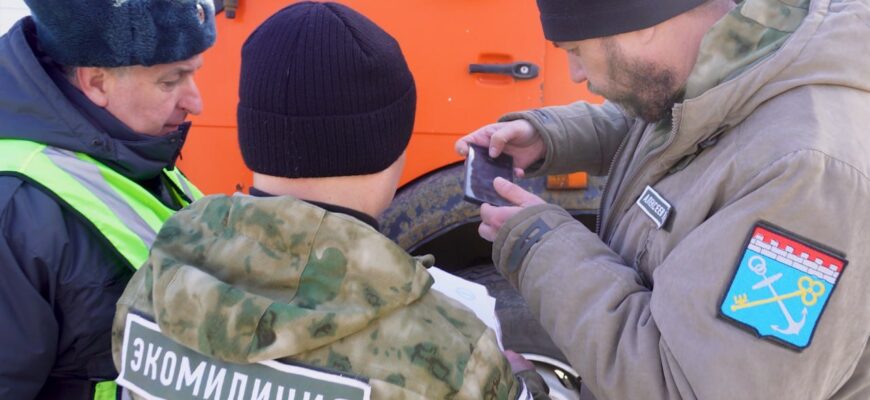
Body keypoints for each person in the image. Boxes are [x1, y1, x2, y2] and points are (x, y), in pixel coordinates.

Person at [110, 2, 547, 399]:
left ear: (252, 134)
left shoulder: (156, 277)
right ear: (393, 146)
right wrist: (524, 381)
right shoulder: (451, 350)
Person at [456, 0, 870, 398]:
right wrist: (551, 138)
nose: (575, 72)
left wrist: (540, 245)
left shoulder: (809, 179)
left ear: (642, 22)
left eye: (577, 49)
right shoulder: (743, 53)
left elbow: (688, 389)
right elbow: (688, 124)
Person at [0, 1, 216, 398]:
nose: (195, 102)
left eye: (193, 74)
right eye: (171, 81)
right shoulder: (14, 206)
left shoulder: (136, 155)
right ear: (97, 83)